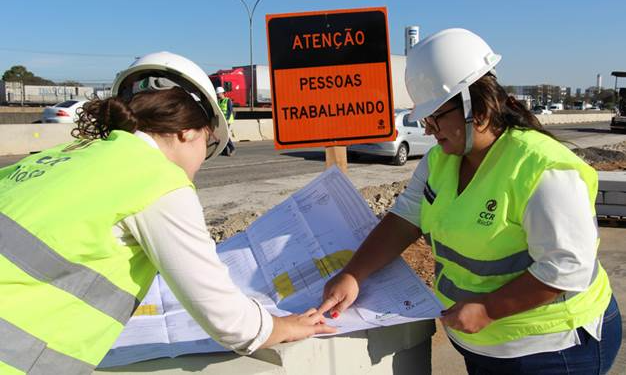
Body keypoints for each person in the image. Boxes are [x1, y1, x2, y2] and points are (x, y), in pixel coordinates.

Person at [0, 51, 334, 375]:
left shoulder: (61, 156)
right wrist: (281, 326)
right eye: (207, 144)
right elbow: (228, 319)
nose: (201, 162)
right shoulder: (157, 179)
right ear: (187, 131)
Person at [319, 29, 621, 374]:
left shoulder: (542, 169)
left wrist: (489, 309)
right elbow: (404, 220)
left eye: (435, 117)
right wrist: (354, 274)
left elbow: (568, 266)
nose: (428, 129)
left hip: (553, 350)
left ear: (476, 104)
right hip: (481, 344)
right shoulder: (440, 161)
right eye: (425, 119)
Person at [216, 86, 236, 156]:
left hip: (227, 120)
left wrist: (227, 119)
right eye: (217, 94)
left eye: (218, 94)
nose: (218, 95)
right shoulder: (218, 101)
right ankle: (224, 151)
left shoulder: (228, 100)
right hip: (222, 120)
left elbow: (230, 110)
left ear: (222, 93)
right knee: (222, 135)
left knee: (225, 135)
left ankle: (232, 148)